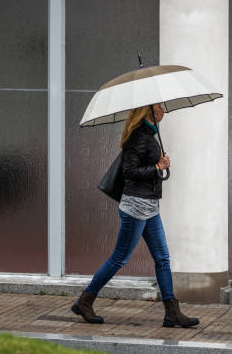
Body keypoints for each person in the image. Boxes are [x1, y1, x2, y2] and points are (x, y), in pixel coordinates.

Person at [71, 103, 200, 328]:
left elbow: (148, 168)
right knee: (120, 258)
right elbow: (129, 172)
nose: (163, 111)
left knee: (162, 258)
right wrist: (157, 166)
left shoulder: (151, 135)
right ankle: (85, 300)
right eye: (160, 107)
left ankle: (172, 312)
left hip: (150, 207)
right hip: (135, 208)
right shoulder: (138, 137)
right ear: (149, 111)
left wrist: (159, 166)